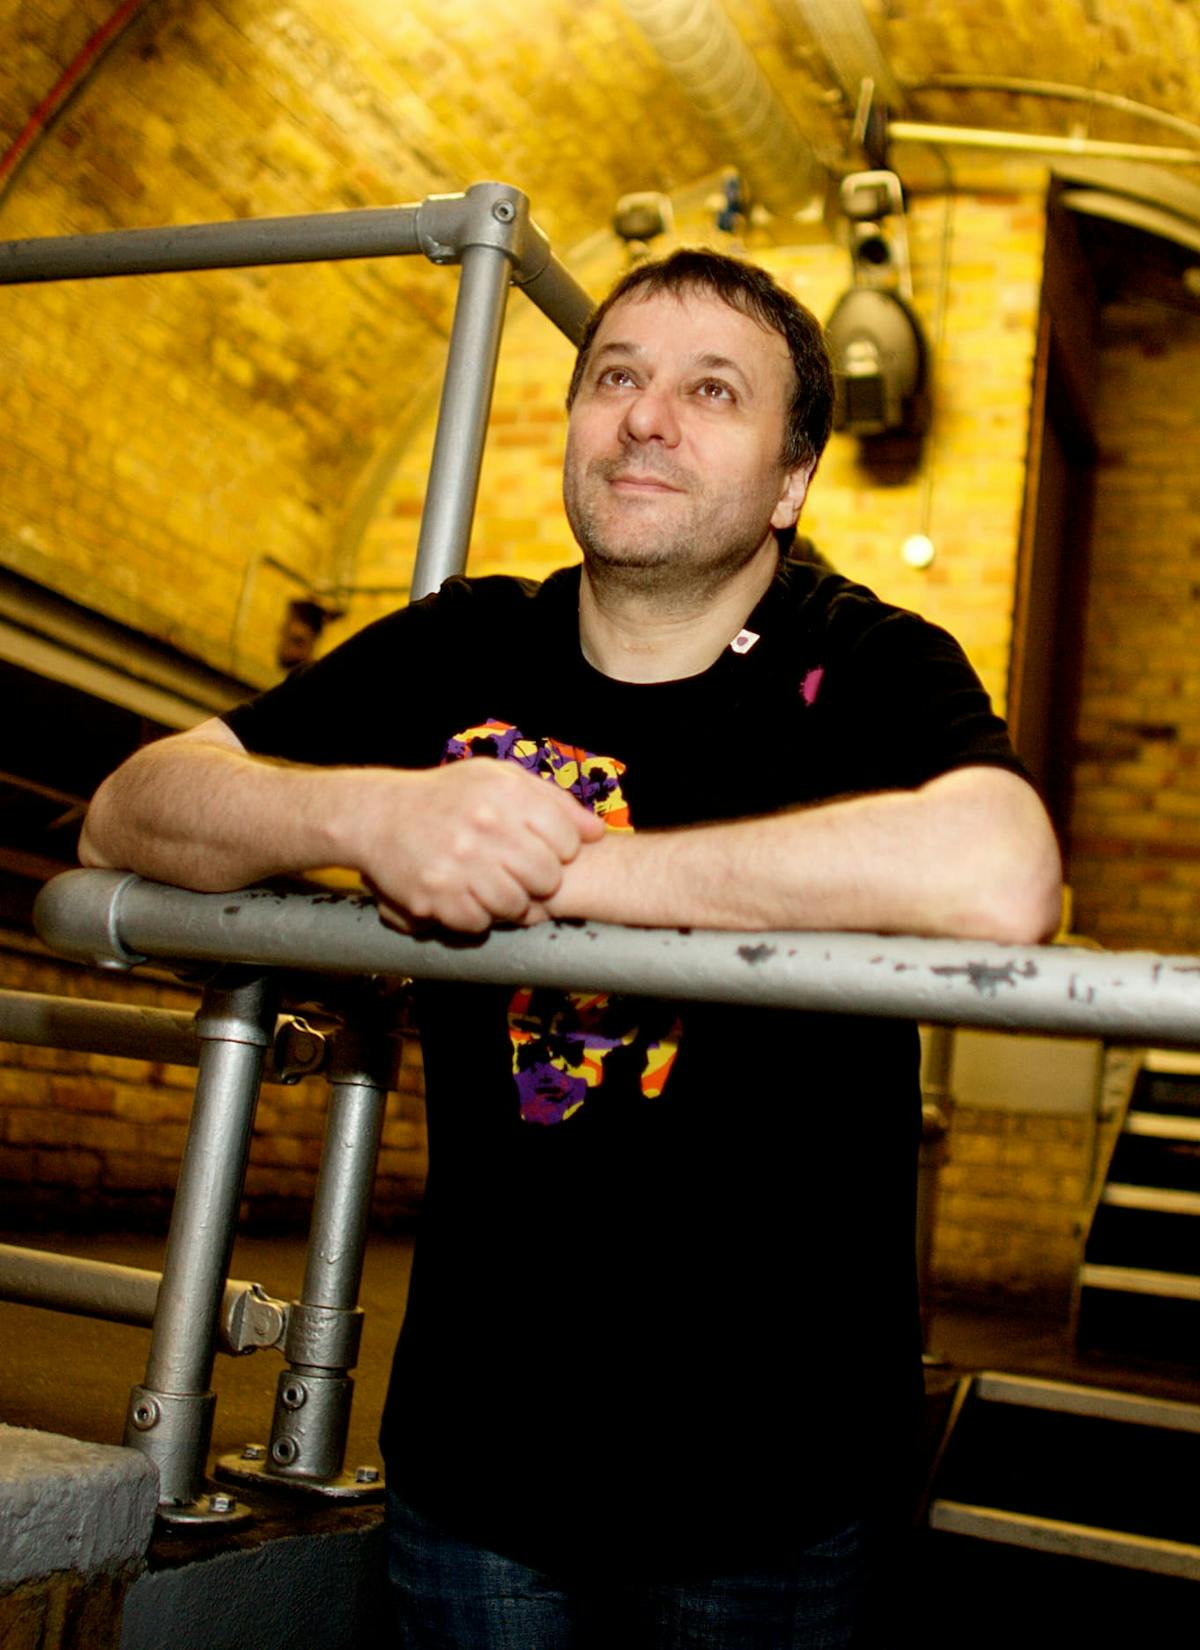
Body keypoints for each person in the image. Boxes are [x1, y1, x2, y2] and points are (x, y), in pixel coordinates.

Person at [81, 250, 1061, 1648]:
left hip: (774, 1487)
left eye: (712, 391)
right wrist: (368, 814)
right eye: (617, 377)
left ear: (791, 482)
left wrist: (582, 877)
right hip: (480, 1466)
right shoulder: (471, 644)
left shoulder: (865, 661)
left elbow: (1004, 871)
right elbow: (130, 807)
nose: (646, 417)